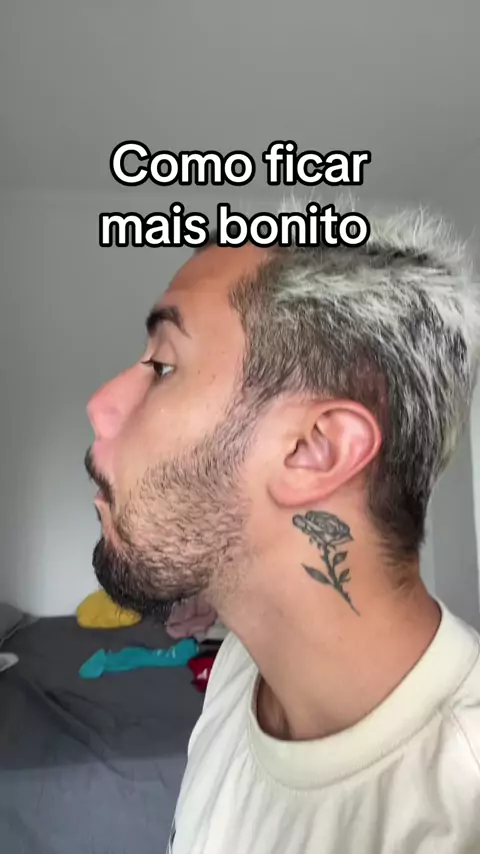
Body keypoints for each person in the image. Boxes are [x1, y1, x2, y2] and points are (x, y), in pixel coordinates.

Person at [85, 200, 480, 854]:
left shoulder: (462, 810)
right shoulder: (241, 669)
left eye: (163, 366)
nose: (101, 406)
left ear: (316, 449)